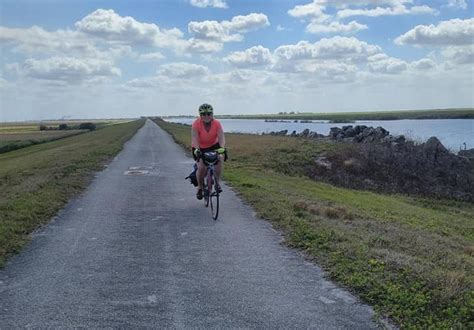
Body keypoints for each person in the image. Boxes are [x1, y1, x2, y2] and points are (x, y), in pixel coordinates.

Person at [191, 103, 226, 200]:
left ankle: (217, 183)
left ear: (212, 114)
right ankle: (200, 187)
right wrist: (197, 150)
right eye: (204, 114)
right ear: (200, 115)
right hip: (200, 146)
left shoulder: (217, 123)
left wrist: (222, 147)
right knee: (202, 167)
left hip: (213, 145)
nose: (206, 116)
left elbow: (221, 137)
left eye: (209, 114)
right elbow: (195, 138)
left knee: (219, 158)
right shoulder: (196, 124)